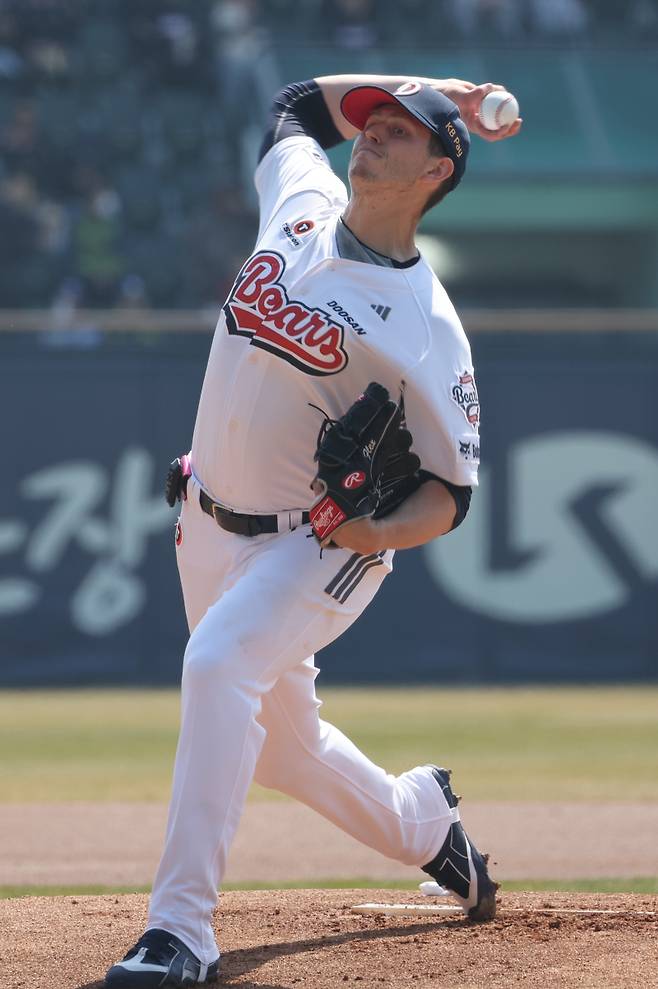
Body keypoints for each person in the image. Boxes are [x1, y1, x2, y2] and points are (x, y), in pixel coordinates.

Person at [105, 72, 521, 988]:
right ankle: (426, 824)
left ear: (438, 170)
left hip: (321, 541)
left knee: (218, 666)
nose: (372, 132)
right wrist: (436, 83)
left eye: (402, 131)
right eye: (374, 121)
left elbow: (450, 494)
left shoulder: (427, 329)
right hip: (206, 520)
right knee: (287, 750)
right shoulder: (304, 197)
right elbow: (295, 105)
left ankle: (179, 932)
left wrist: (369, 532)